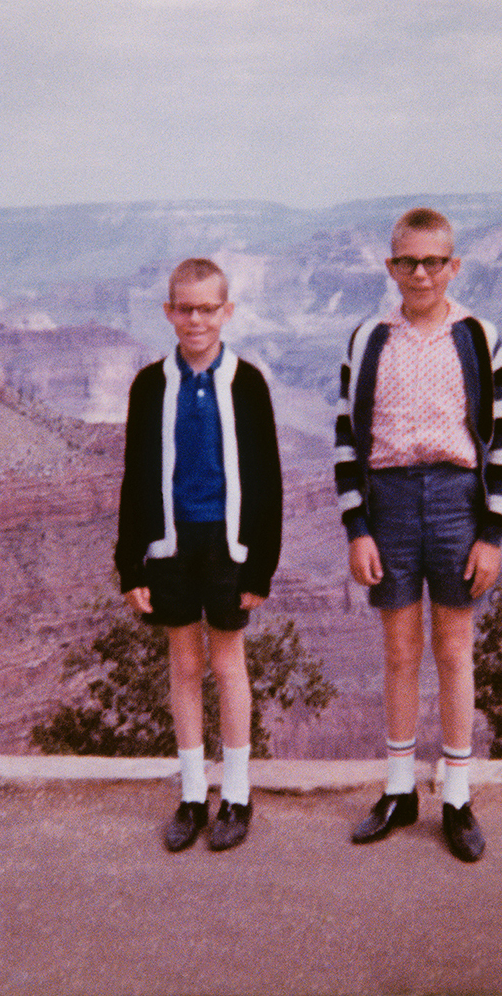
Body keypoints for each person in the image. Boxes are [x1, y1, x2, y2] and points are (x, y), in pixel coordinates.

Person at [334, 207, 502, 862]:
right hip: (390, 501)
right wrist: (358, 526)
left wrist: (491, 532)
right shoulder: (367, 340)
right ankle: (400, 787)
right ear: (390, 267)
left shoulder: (478, 338)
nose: (420, 273)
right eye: (407, 261)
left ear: (453, 266)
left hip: (455, 501)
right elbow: (346, 441)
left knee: (455, 648)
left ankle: (459, 795)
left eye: (433, 261)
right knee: (401, 651)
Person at [115, 257, 283, 853]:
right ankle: (192, 794)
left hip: (228, 546)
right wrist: (130, 563)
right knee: (184, 667)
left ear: (227, 312)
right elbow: (136, 478)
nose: (195, 319)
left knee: (228, 664)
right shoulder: (150, 385)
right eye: (184, 308)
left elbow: (267, 478)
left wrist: (261, 562)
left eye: (208, 308)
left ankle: (236, 793)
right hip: (171, 545)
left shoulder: (248, 383)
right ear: (168, 312)